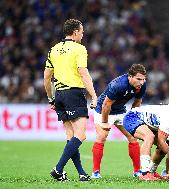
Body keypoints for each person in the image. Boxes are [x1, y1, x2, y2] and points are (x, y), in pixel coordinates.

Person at [43, 19, 97, 181]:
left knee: (71, 136)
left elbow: (46, 77)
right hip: (74, 93)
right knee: (80, 135)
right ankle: (58, 169)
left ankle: (81, 173)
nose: (83, 34)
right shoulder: (79, 49)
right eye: (81, 31)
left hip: (59, 95)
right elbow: (83, 73)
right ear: (75, 32)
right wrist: (94, 95)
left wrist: (51, 98)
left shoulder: (54, 49)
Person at [92, 64, 147, 179]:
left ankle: (137, 171)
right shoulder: (119, 85)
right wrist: (105, 122)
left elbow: (137, 103)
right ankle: (95, 172)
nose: (141, 82)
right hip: (103, 110)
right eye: (138, 79)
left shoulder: (142, 85)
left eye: (143, 79)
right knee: (102, 136)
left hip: (120, 111)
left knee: (133, 137)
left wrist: (133, 119)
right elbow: (106, 104)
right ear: (130, 77)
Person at [123, 101, 169, 180]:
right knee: (149, 137)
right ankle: (144, 173)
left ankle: (151, 171)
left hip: (147, 123)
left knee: (165, 145)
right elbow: (161, 142)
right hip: (133, 117)